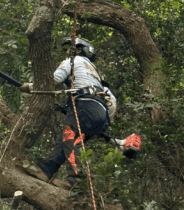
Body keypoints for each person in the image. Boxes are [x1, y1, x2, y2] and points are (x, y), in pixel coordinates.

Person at [22, 37, 118, 188]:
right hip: (100, 111)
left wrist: (31, 87)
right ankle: (46, 170)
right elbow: (112, 100)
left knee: (70, 136)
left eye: (70, 49)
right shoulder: (97, 74)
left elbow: (53, 80)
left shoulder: (73, 61)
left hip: (84, 104)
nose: (67, 52)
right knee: (66, 140)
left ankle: (76, 181)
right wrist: (104, 124)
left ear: (78, 49)